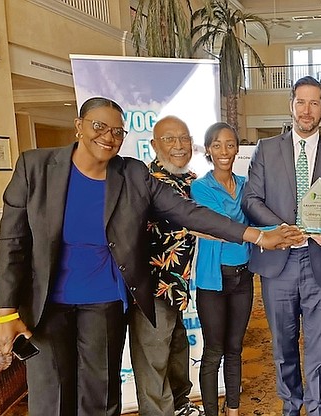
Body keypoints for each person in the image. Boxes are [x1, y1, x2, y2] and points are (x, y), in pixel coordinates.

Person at [0, 97, 301, 416]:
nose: (108, 137)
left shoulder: (131, 175)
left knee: (100, 399)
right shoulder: (35, 167)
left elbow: (190, 213)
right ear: (79, 127)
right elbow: (12, 241)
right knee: (51, 400)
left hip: (103, 304)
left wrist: (259, 235)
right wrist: (6, 312)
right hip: (47, 306)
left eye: (117, 131)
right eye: (99, 127)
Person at [241, 76, 321, 416]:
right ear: (291, 105)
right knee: (282, 345)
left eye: (314, 103)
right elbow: (251, 198)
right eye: (301, 102)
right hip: (279, 263)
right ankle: (292, 405)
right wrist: (280, 228)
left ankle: (318, 408)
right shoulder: (267, 150)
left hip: (320, 261)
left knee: (318, 346)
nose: (307, 110)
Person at [127, 115, 202, 416]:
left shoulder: (191, 182)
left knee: (176, 354)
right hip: (151, 289)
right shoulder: (143, 184)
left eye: (184, 138)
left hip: (176, 289)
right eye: (170, 139)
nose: (179, 145)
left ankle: (181, 407)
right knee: (153, 363)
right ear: (154, 144)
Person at [190, 122, 252, 416]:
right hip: (213, 281)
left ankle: (234, 410)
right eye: (217, 145)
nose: (224, 151)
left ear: (237, 149)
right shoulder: (201, 187)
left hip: (243, 277)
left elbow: (254, 220)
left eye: (229, 144)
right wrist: (255, 229)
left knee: (235, 348)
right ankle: (212, 412)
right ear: (208, 150)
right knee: (213, 352)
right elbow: (219, 224)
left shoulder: (246, 185)